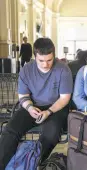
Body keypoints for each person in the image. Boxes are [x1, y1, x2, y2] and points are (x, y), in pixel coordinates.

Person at [0, 38, 73, 169]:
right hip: (32, 106)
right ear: (35, 56)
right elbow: (23, 96)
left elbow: (64, 98)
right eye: (41, 61)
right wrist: (29, 108)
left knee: (51, 135)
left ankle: (31, 164)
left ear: (54, 56)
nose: (45, 64)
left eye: (49, 60)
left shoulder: (63, 69)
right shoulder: (26, 70)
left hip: (56, 107)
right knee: (10, 130)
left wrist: (49, 111)